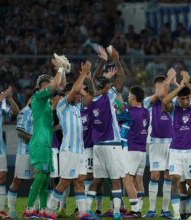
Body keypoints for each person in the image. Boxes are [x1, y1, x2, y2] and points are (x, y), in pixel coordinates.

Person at [46, 61, 93, 220]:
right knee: (65, 181)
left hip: (80, 151)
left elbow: (91, 96)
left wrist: (88, 78)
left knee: (80, 181)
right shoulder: (63, 105)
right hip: (68, 150)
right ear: (68, 94)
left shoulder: (77, 108)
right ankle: (49, 210)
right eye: (78, 94)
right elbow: (74, 91)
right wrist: (83, 73)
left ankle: (82, 213)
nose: (80, 96)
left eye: (81, 94)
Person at [23, 55, 67, 218]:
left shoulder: (48, 103)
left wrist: (63, 70)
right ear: (42, 86)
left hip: (47, 144)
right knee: (40, 175)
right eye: (48, 85)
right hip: (40, 143)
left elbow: (60, 86)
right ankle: (29, 209)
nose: (51, 87)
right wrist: (60, 69)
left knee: (46, 178)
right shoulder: (39, 98)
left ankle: (41, 209)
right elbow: (56, 86)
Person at [85, 46, 125, 220]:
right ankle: (116, 212)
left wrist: (102, 64)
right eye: (109, 84)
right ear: (107, 87)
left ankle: (85, 211)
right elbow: (121, 78)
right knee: (116, 179)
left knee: (97, 180)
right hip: (111, 144)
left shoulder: (91, 100)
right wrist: (116, 59)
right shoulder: (108, 96)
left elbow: (93, 80)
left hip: (97, 145)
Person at [162, 71, 191, 220]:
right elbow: (164, 102)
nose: (185, 101)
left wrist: (187, 84)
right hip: (176, 151)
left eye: (187, 98)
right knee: (174, 180)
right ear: (179, 99)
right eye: (183, 98)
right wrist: (180, 87)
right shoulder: (174, 109)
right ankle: (176, 215)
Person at [143, 70, 176, 219]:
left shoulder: (173, 102)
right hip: (156, 143)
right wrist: (167, 80)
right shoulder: (148, 101)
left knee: (168, 176)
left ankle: (165, 209)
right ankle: (151, 209)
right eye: (157, 87)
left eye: (162, 87)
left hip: (171, 143)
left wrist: (168, 84)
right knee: (155, 175)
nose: (160, 90)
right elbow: (156, 97)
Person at [0, 84, 19, 219]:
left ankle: (1, 211)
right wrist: (1, 96)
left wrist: (10, 98)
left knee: (1, 178)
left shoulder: (1, 107)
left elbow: (17, 112)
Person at [119, 86, 150, 218]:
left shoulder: (130, 113)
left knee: (127, 180)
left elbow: (118, 116)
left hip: (131, 149)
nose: (128, 97)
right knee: (139, 180)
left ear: (133, 97)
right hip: (142, 151)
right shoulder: (145, 112)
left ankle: (135, 210)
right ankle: (140, 208)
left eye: (129, 95)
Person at [7, 98, 33, 218]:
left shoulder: (43, 112)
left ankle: (32, 210)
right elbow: (20, 133)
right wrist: (36, 139)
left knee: (40, 180)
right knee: (17, 180)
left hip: (38, 152)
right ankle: (11, 210)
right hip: (24, 152)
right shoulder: (25, 111)